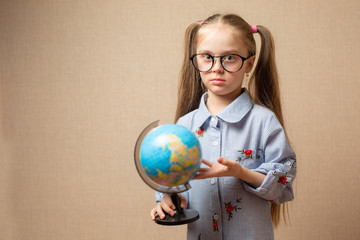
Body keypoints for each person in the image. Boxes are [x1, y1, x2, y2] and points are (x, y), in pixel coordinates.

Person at [150, 13, 296, 240]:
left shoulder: (263, 122)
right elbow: (174, 183)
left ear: (249, 63)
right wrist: (169, 201)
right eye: (207, 57)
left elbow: (283, 184)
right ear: (196, 60)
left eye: (229, 58)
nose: (217, 68)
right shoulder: (184, 126)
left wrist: (241, 172)